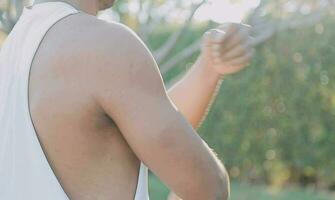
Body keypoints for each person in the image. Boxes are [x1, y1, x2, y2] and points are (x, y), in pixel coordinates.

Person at [0, 0, 254, 199]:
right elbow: (209, 188)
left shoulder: (11, 54)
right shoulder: (104, 44)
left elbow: (137, 126)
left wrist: (209, 68)